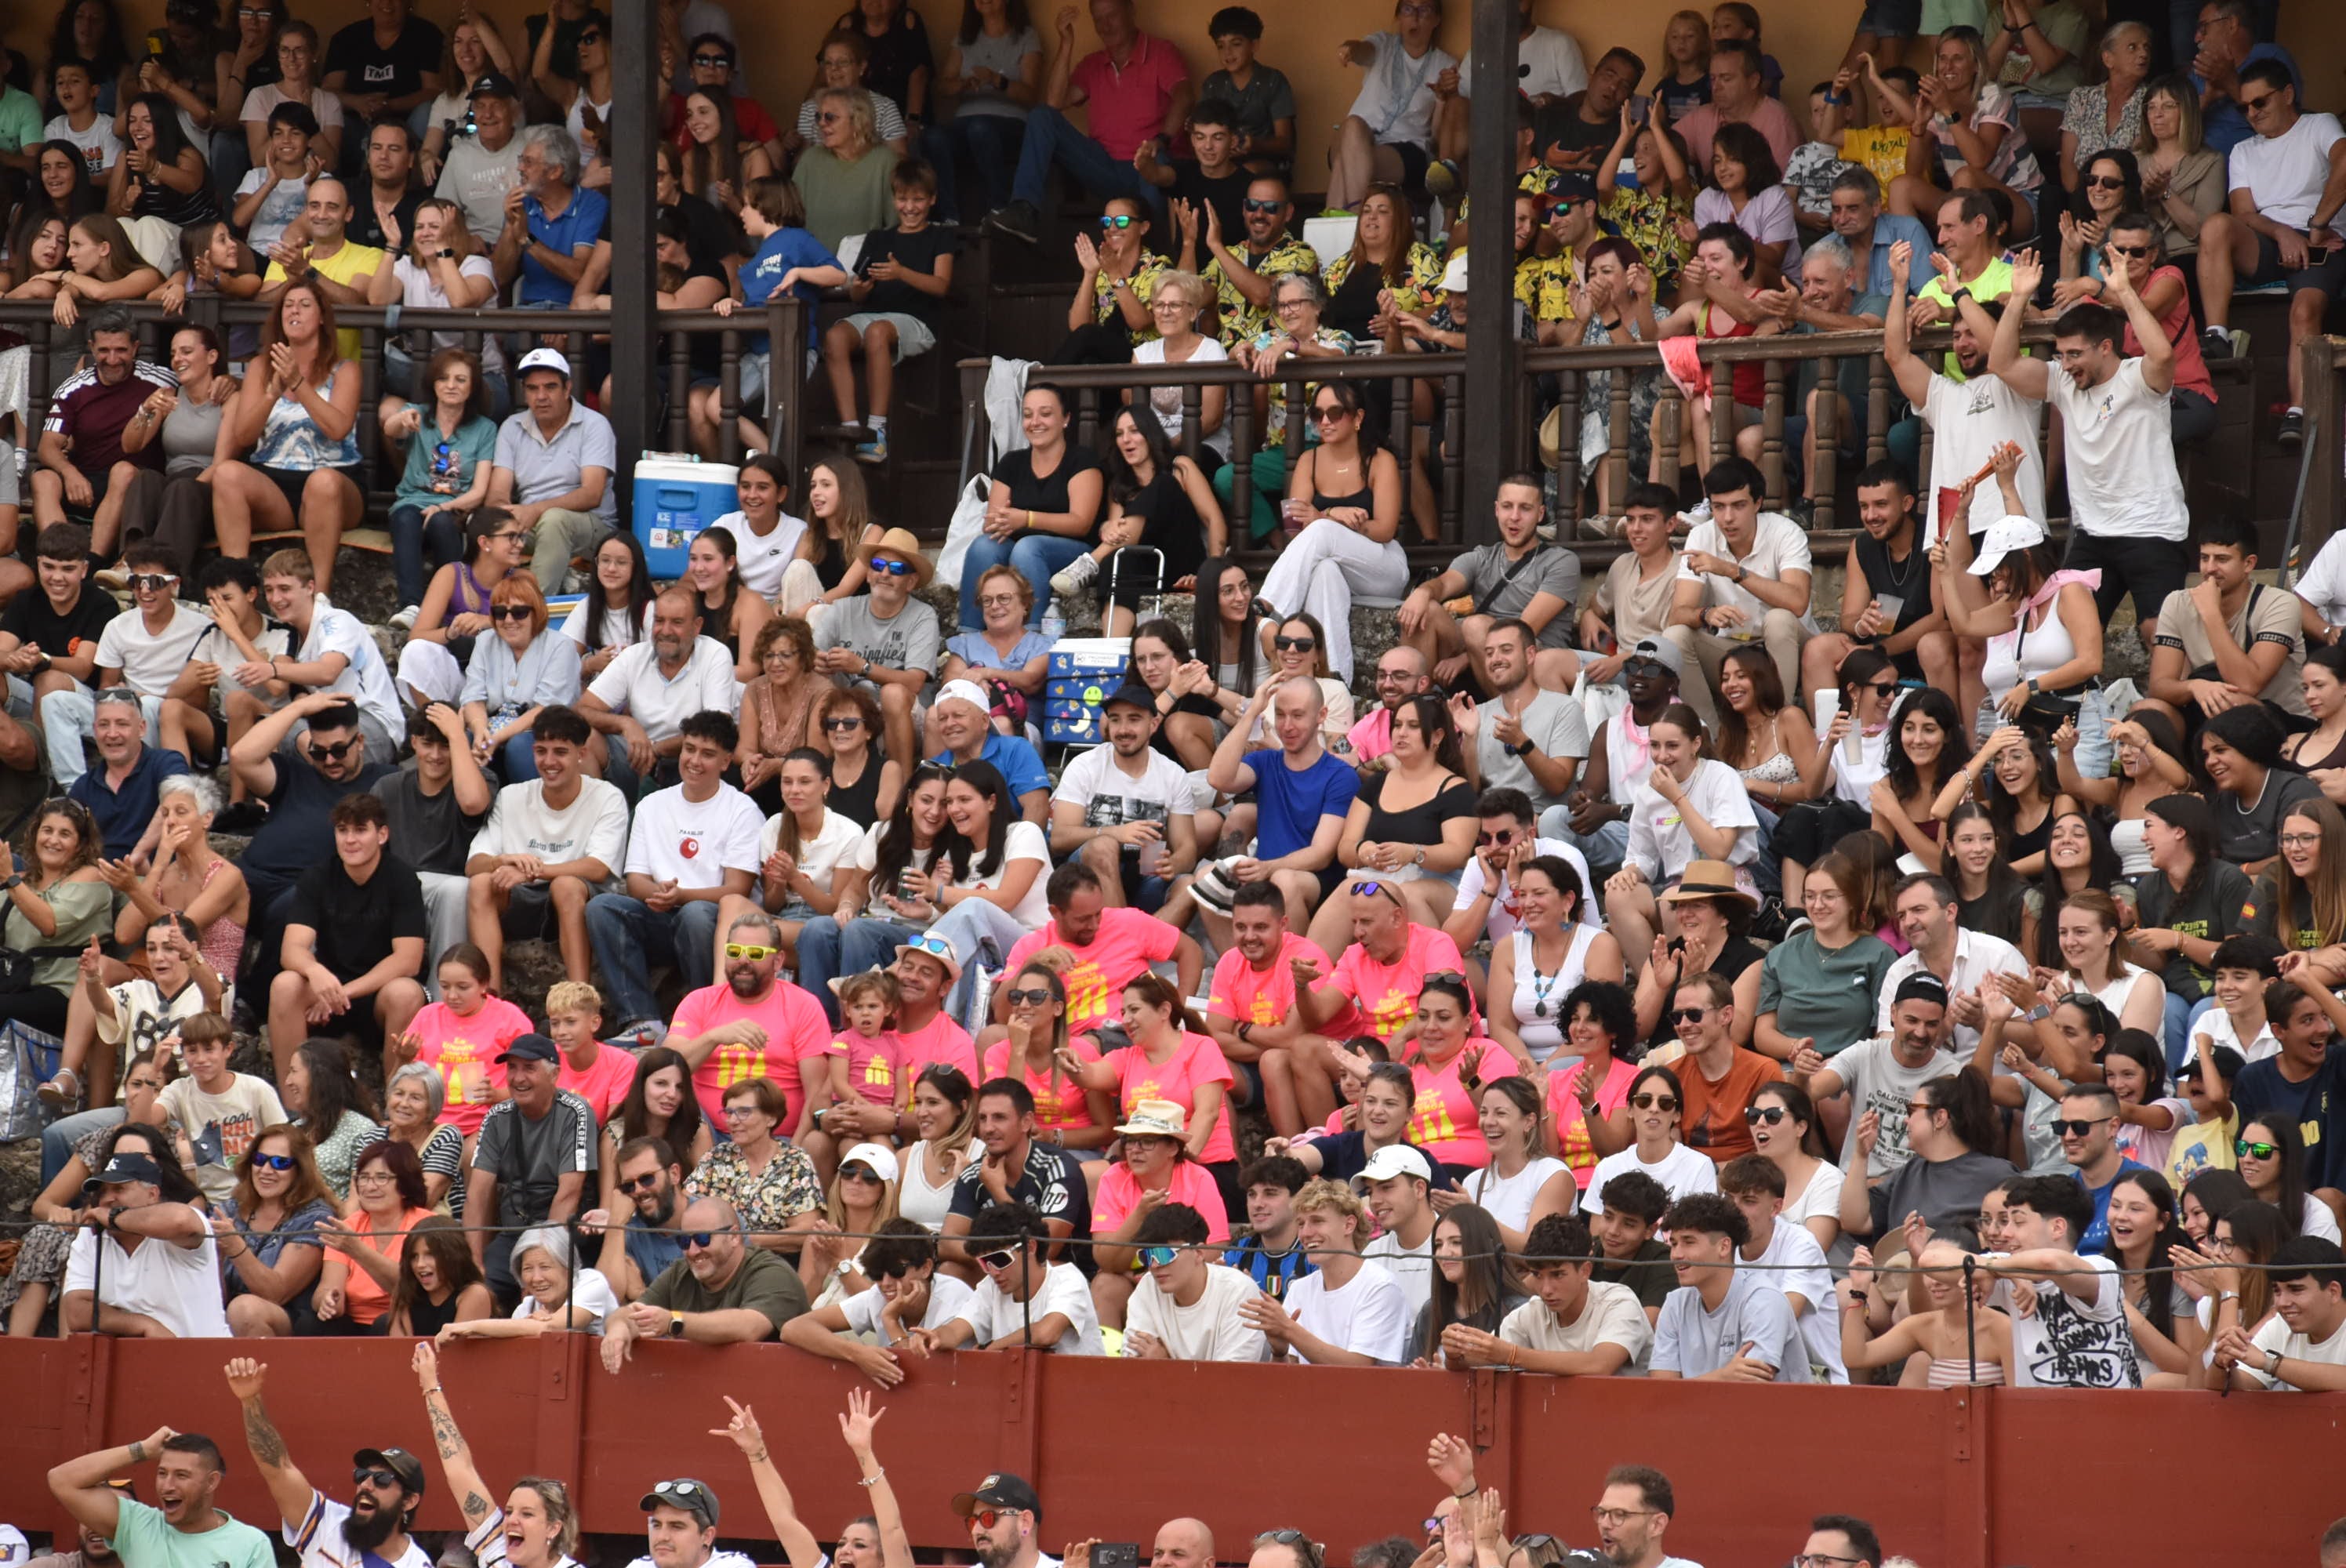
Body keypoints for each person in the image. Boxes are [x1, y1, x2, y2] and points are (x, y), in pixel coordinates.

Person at [1987, 248, 2189, 634]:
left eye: (2075, 354)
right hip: (2092, 536)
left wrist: (2125, 292)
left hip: (2152, 530)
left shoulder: (2138, 377)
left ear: (2106, 347)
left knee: (2158, 632)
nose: (2066, 365)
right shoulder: (2063, 381)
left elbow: (2163, 355)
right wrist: (2018, 298)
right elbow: (2002, 364)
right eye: (2061, 355)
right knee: (2064, 633)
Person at [584, 710, 760, 1043]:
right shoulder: (652, 805)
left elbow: (738, 888)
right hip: (661, 914)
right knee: (602, 907)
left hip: (712, 921)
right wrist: (658, 893)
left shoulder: (742, 810)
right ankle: (642, 1021)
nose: (694, 760)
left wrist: (682, 896)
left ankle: (706, 1014)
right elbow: (635, 879)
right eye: (689, 749)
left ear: (726, 762)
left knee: (696, 914)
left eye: (707, 754)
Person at [2193, 61, 2343, 448]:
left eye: (2260, 102)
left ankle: (2299, 411)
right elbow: (2243, 212)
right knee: (2216, 225)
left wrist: (2317, 224)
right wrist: (2282, 233)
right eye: (2243, 107)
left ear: (2288, 94)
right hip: (2269, 238)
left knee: (2304, 311)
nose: (2252, 113)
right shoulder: (2243, 150)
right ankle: (2217, 334)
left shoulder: (2320, 125)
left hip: (2322, 241)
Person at [979, 0, 1191, 244]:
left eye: (1112, 16)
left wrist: (1161, 140)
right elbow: (1054, 102)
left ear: (1131, 11)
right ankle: (1024, 210)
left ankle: (1154, 251)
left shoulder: (1161, 52)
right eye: (1098, 20)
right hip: (1105, 168)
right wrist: (1066, 44)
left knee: (1157, 160)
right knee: (1042, 116)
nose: (1105, 26)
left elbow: (1185, 97)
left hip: (1150, 164)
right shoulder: (1093, 63)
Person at [205, 283, 364, 597]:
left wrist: (298, 383)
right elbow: (244, 435)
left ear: (322, 317)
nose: (294, 310)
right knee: (226, 473)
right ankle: (236, 589)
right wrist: (271, 394)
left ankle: (319, 598)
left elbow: (337, 429)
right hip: (274, 483)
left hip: (335, 480)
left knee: (323, 482)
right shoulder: (260, 367)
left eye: (305, 304)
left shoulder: (345, 370)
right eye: (288, 305)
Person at [222, 1356, 431, 1566]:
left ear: (409, 1501)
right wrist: (250, 1400)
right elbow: (279, 1469)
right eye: (362, 1475)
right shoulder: (327, 1524)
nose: (366, 1485)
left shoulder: (417, 1564)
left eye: (382, 1479)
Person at [1663, 458, 1812, 731]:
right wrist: (1706, 614)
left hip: (1788, 646)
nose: (1728, 518)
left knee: (1779, 619)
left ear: (1758, 503)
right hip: (1733, 649)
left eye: (1738, 505)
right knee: (1675, 636)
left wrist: (1732, 570)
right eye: (1719, 507)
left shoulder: (1785, 531)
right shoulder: (1701, 536)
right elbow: (1678, 614)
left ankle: (1777, 730)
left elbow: (1797, 602)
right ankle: (1708, 737)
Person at [1972, 1173, 2144, 1387]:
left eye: (2018, 1222)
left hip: (2105, 1407)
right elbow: (1936, 1260)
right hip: (2036, 1407)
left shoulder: (2101, 1267)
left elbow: (2051, 1262)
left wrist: (1997, 1269)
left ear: (2057, 1228)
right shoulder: (2010, 1271)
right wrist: (2011, 1275)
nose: (2005, 1234)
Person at [29, 307, 170, 563]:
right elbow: (48, 446)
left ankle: (93, 562)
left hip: (134, 484)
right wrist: (69, 472)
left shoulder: (161, 381)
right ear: (92, 348)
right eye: (104, 350)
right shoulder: (74, 388)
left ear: (135, 348)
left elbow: (203, 383)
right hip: (83, 479)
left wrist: (230, 384)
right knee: (43, 478)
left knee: (122, 471)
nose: (112, 359)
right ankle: (60, 558)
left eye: (121, 350)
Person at [466, 1033, 598, 1303]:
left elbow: (568, 1195)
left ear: (554, 1074)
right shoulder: (497, 1117)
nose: (518, 1078)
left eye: (529, 1068)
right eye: (512, 1068)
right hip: (514, 1232)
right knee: (477, 1292)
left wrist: (540, 1264)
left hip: (561, 1233)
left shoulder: (575, 1111)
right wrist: (474, 1263)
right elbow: (476, 1195)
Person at [58, 1142, 231, 1338]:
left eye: (119, 1189)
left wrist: (114, 1218)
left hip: (202, 1353)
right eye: (103, 1191)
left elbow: (181, 1220)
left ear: (152, 1194)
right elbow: (76, 1312)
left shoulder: (177, 1224)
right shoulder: (91, 1235)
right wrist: (144, 1325)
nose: (107, 1199)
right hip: (136, 1355)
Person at [1238, 1177, 1409, 1365]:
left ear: (1349, 1225)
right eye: (1301, 1224)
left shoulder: (1380, 1287)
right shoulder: (1300, 1289)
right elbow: (1288, 1375)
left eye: (1317, 1221)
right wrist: (1279, 1352)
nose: (1306, 1233)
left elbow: (1360, 1368)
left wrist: (1288, 1330)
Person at [487, 347, 616, 596]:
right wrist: (507, 512)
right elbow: (497, 493)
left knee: (554, 520)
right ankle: (476, 603)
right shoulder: (512, 427)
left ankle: (532, 607)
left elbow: (592, 494)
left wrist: (535, 510)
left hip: (590, 526)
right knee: (480, 522)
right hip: (530, 524)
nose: (541, 396)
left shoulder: (594, 425)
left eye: (550, 387)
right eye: (532, 388)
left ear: (567, 389)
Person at [780, 1219, 977, 1381]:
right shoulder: (877, 1295)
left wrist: (891, 1321)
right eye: (876, 1274)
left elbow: (922, 1376)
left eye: (896, 1271)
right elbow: (793, 1328)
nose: (886, 1283)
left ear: (926, 1268)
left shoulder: (952, 1296)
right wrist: (858, 1354)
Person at [45, 1430, 271, 1568]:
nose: (167, 1486)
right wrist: (143, 1450)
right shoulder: (137, 1525)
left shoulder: (250, 1544)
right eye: (162, 1473)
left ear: (211, 1482)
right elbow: (61, 1480)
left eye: (181, 1475)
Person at [1649, 1192, 1811, 1381]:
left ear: (1724, 1247)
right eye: (1674, 1244)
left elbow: (1751, 1384)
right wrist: (1724, 1376)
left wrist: (1687, 1388)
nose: (1676, 1254)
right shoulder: (1675, 1303)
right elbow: (1662, 1389)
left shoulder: (1764, 1299)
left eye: (1689, 1242)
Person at [917, 1198, 1105, 1354]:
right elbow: (956, 1330)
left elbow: (1046, 1333)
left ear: (1030, 1247)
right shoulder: (990, 1287)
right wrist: (934, 1337)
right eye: (985, 1262)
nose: (993, 1271)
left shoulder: (1068, 1279)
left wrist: (993, 1348)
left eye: (1000, 1259)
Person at [917, 0, 1041, 225]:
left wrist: (997, 81)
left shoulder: (1026, 36)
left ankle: (999, 209)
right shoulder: (964, 39)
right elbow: (941, 87)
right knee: (933, 136)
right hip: (965, 122)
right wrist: (962, 84)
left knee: (980, 129)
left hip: (1009, 122)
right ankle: (948, 217)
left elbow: (1030, 94)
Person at [1582, 1064, 1720, 1214]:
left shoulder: (1699, 1166)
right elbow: (1597, 1228)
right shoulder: (1607, 1168)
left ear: (1677, 1114)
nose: (1654, 1109)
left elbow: (1702, 1225)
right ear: (1629, 1110)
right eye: (1644, 1101)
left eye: (1665, 1102)